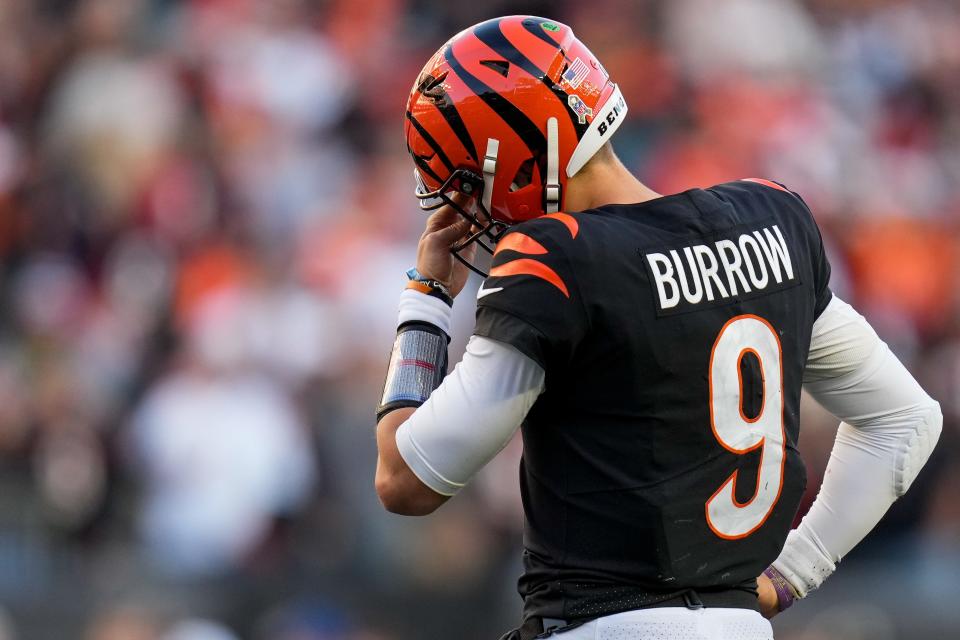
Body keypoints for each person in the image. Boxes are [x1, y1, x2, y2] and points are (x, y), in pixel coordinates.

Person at [374, 16, 942, 640]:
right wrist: (794, 572)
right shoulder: (769, 218)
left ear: (510, 164)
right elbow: (906, 418)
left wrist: (426, 301)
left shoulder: (556, 261)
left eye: (466, 185)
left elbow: (406, 480)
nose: (468, 210)